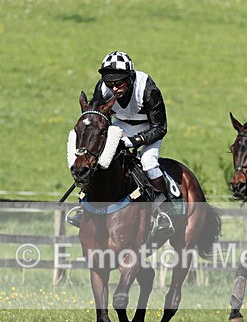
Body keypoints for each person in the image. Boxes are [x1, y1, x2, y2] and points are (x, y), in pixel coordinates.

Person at [67, 51, 173, 235]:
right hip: (120, 126)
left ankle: (164, 211)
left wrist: (133, 141)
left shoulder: (147, 89)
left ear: (130, 78)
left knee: (148, 162)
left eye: (119, 83)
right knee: (99, 160)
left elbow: (161, 128)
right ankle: (84, 203)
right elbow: (96, 114)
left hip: (149, 129)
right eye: (110, 83)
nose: (114, 88)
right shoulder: (102, 88)